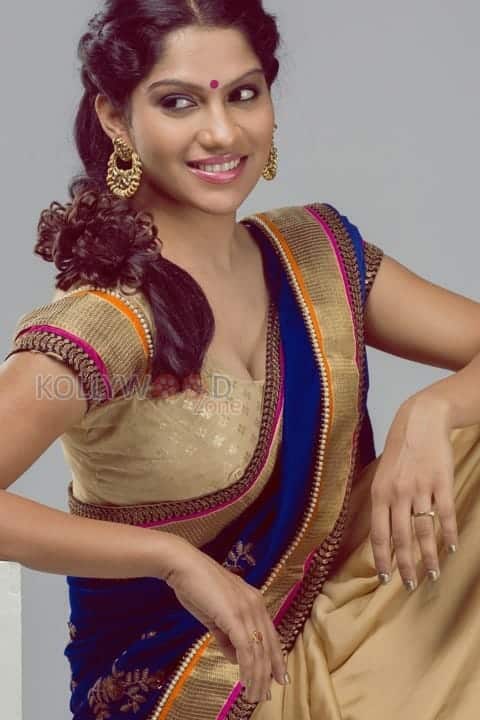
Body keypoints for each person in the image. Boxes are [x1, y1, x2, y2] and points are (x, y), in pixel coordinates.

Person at [2, 1, 480, 718]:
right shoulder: (109, 322)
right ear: (114, 118)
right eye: (179, 102)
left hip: (349, 612)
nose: (222, 131)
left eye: (244, 94)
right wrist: (170, 559)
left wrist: (429, 411)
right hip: (202, 674)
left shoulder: (310, 253)